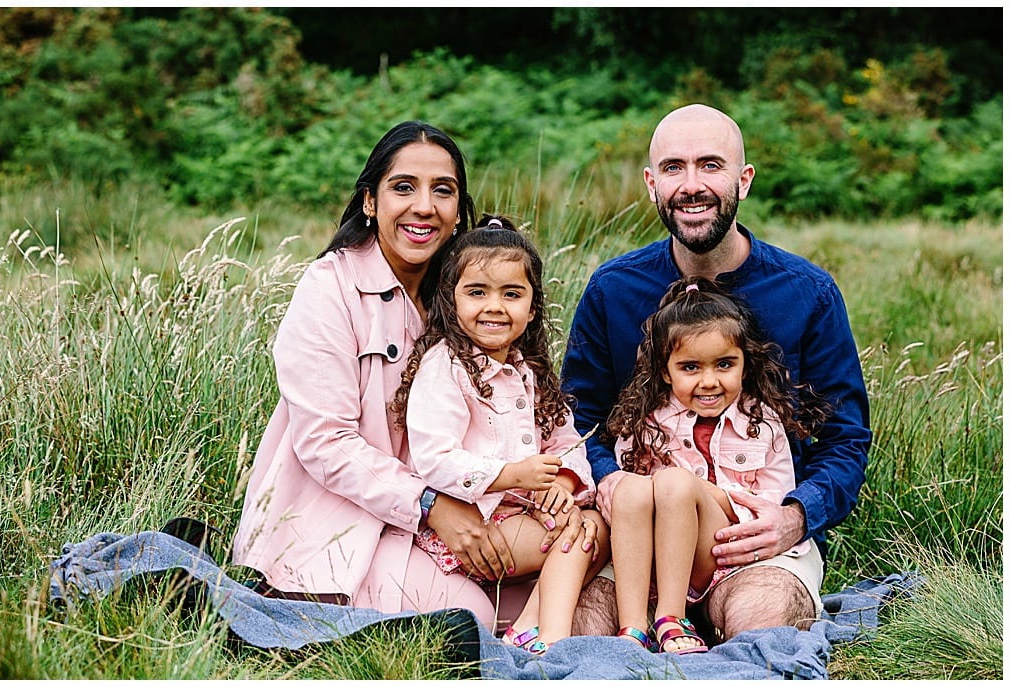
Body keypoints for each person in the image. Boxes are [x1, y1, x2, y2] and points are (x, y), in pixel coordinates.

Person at [233, 121, 599, 623]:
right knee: (466, 618)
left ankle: (541, 637)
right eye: (403, 187)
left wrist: (557, 487)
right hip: (354, 521)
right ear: (370, 201)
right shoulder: (330, 288)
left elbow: (531, 419)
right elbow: (325, 442)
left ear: (457, 211)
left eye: (442, 191)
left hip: (470, 510)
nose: (424, 206)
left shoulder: (468, 292)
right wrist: (430, 504)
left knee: (584, 553)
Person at [562, 103, 872, 641]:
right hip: (640, 538)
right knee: (585, 629)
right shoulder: (613, 290)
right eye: (674, 168)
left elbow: (845, 439)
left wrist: (795, 517)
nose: (692, 185)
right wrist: (607, 479)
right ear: (652, 184)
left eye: (711, 165)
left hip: (754, 544)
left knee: (763, 622)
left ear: (743, 180)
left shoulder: (808, 293)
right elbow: (577, 418)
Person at [391, 215, 611, 654]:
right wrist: (512, 475)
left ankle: (528, 627)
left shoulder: (528, 371)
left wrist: (564, 483)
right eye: (477, 292)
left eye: (512, 294)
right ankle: (553, 638)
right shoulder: (446, 367)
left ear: (531, 309)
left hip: (527, 512)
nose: (495, 306)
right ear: (451, 302)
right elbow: (435, 457)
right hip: (479, 521)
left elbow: (567, 441)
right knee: (575, 539)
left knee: (598, 528)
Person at [604, 276, 832, 653]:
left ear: (745, 364)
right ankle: (633, 628)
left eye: (724, 364)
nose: (709, 382)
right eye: (690, 367)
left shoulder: (763, 423)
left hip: (732, 553)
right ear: (665, 370)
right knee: (632, 487)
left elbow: (770, 507)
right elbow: (630, 505)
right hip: (663, 562)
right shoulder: (643, 423)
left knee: (675, 484)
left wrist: (700, 493)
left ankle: (671, 619)